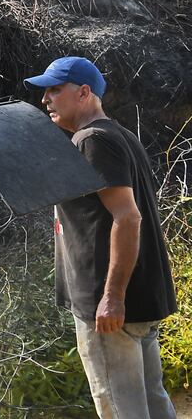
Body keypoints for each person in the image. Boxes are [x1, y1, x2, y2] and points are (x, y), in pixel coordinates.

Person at [25, 56, 178, 419]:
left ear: (83, 92)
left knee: (120, 408)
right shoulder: (118, 135)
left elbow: (128, 218)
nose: (45, 99)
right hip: (137, 300)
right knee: (152, 402)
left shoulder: (93, 140)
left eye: (54, 89)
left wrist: (112, 297)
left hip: (110, 309)